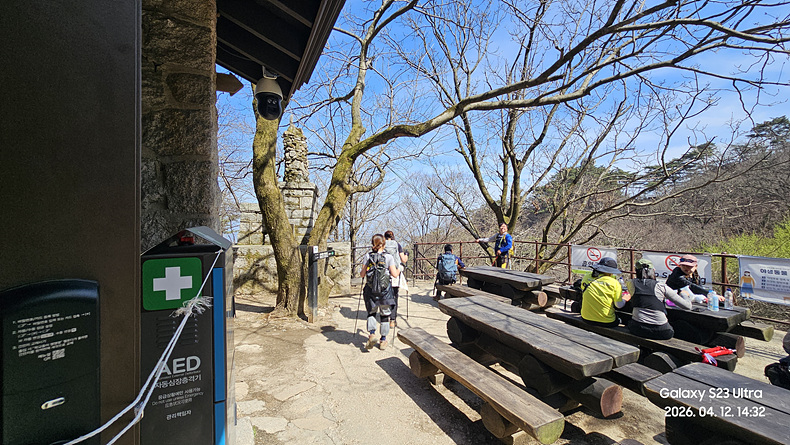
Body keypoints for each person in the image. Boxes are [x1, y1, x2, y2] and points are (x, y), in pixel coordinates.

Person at [626, 259, 692, 340]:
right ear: (653, 271)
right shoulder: (661, 286)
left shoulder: (630, 283)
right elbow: (687, 306)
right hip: (661, 332)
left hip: (637, 329)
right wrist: (684, 294)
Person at [359, 234, 400, 350]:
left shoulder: (368, 256)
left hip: (371, 291)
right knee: (385, 315)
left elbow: (362, 274)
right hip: (385, 292)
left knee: (371, 313)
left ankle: (372, 334)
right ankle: (383, 340)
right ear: (384, 244)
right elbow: (394, 274)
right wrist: (400, 269)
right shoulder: (388, 257)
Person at [580, 257, 629, 327]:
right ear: (612, 272)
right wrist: (625, 299)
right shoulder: (614, 283)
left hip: (586, 318)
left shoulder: (587, 277)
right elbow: (619, 305)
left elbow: (583, 288)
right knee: (621, 319)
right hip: (607, 321)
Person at [383, 230, 408, 328]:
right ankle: (392, 320)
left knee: (385, 296)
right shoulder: (397, 245)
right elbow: (404, 260)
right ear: (393, 236)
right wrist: (407, 254)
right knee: (394, 296)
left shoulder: (382, 244)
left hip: (384, 274)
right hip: (395, 272)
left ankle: (385, 317)